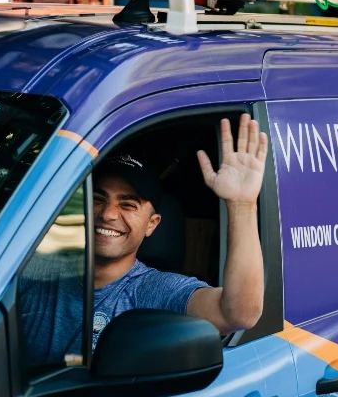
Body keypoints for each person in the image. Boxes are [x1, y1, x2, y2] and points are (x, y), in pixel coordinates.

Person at [19, 114, 268, 365]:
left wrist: (241, 204)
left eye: (128, 205)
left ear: (152, 224)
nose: (107, 214)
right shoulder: (39, 271)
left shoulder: (152, 291)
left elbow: (237, 314)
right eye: (98, 199)